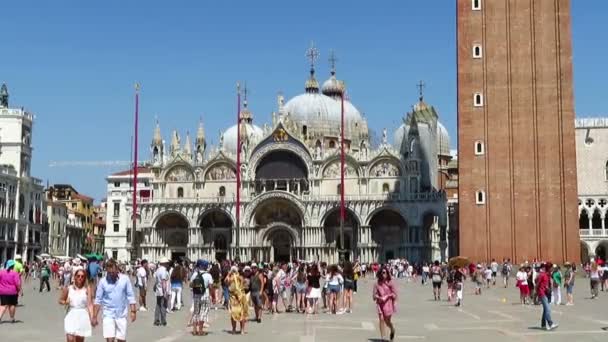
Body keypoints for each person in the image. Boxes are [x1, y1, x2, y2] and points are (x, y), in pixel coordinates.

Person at [92, 259, 137, 342]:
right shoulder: (103, 282)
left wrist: (133, 311)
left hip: (121, 314)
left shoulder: (125, 279)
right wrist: (94, 316)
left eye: (113, 272)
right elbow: (98, 300)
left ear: (117, 269)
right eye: (109, 273)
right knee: (110, 339)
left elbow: (131, 296)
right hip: (108, 314)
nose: (111, 274)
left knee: (121, 339)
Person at [60, 269, 93, 341]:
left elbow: (90, 304)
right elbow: (61, 300)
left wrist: (92, 317)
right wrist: (65, 302)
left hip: (82, 315)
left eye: (82, 276)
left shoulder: (87, 289)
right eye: (78, 276)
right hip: (71, 314)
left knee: (79, 339)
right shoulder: (69, 288)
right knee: (70, 339)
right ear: (74, 277)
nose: (80, 278)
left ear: (84, 278)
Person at [373, 267, 397, 341]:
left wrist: (387, 296)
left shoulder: (390, 283)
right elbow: (373, 296)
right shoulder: (376, 284)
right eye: (382, 272)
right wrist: (378, 297)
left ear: (387, 273)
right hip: (380, 304)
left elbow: (395, 294)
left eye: (385, 272)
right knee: (381, 320)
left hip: (388, 304)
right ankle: (383, 337)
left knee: (387, 322)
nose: (383, 274)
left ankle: (392, 329)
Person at [190, 260, 213, 336]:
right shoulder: (208, 275)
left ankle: (194, 330)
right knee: (203, 312)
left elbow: (190, 285)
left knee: (196, 312)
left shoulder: (195, 274)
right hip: (205, 294)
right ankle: (200, 330)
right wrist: (213, 296)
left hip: (196, 295)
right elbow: (210, 287)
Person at [535, 263, 558, 330]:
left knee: (545, 309)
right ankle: (550, 324)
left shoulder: (548, 275)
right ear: (549, 268)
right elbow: (537, 283)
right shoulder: (542, 275)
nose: (552, 269)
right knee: (548, 309)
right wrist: (535, 293)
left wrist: (548, 288)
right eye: (551, 268)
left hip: (546, 293)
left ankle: (543, 324)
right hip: (542, 293)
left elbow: (548, 283)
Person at [227, 265, 248, 334]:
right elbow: (225, 282)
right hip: (237, 297)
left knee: (237, 314)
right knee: (238, 313)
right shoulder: (236, 278)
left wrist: (229, 274)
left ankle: (237, 329)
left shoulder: (235, 277)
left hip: (237, 298)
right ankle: (239, 330)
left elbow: (226, 281)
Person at [153, 258, 170, 326]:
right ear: (165, 263)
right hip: (162, 290)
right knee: (163, 305)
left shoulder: (158, 270)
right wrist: (165, 291)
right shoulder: (163, 271)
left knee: (158, 305)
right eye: (167, 263)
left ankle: (156, 319)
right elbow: (163, 281)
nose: (168, 264)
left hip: (158, 290)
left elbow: (156, 280)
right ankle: (163, 320)